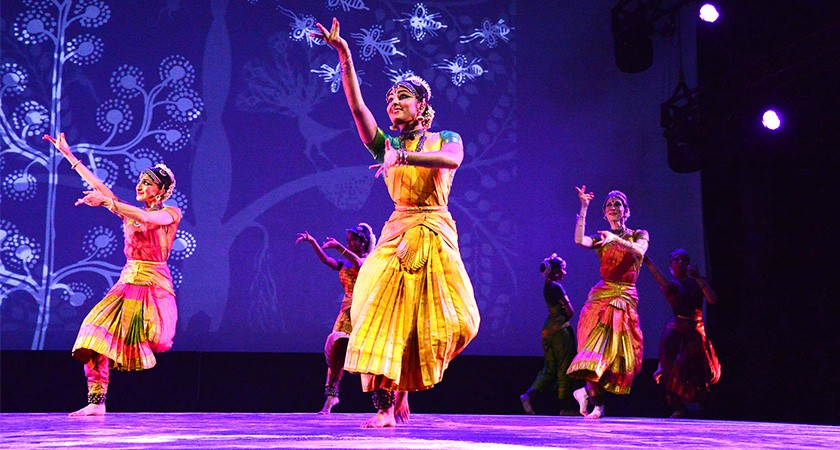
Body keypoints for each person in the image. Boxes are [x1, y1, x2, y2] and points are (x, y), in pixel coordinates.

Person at [312, 18, 481, 428]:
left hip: (434, 231)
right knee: (376, 312)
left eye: (402, 97)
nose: (393, 103)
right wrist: (345, 55)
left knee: (446, 321)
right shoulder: (386, 144)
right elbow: (357, 108)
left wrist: (403, 157)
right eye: (390, 98)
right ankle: (386, 407)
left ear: (422, 106)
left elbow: (453, 161)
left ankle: (403, 391)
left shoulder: (444, 137)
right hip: (396, 232)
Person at [43, 133, 181, 416]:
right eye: (140, 181)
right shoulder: (130, 211)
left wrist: (107, 203)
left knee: (161, 340)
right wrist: (68, 155)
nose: (140, 186)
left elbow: (146, 218)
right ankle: (97, 402)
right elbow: (99, 187)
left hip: (155, 285)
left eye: (147, 183)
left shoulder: (170, 213)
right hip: (127, 284)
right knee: (92, 335)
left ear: (161, 190)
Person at [567, 186, 648, 419]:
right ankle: (597, 403)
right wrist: (583, 207)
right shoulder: (602, 237)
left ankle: (584, 392)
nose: (613, 208)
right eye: (609, 205)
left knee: (614, 354)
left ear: (626, 211)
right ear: (604, 213)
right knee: (592, 351)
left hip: (624, 297)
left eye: (618, 204)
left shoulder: (638, 234)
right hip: (599, 298)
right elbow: (580, 241)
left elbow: (640, 251)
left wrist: (616, 240)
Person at [295, 223, 376, 414]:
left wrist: (339, 246)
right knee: (335, 355)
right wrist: (313, 242)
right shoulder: (345, 262)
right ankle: (331, 398)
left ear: (363, 242)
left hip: (363, 312)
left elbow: (358, 263)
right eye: (348, 241)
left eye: (353, 240)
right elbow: (327, 261)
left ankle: (387, 401)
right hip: (346, 313)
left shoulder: (370, 260)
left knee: (372, 354)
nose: (350, 243)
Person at [643, 249, 721, 418]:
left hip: (695, 329)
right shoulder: (672, 286)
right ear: (671, 265)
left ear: (688, 263)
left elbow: (712, 299)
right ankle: (677, 406)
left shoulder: (698, 283)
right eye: (676, 259)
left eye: (683, 259)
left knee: (695, 367)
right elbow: (661, 279)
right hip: (676, 329)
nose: (680, 261)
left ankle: (697, 405)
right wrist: (649, 264)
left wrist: (699, 278)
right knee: (671, 366)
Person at [520, 254, 578, 416]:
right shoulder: (557, 287)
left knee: (549, 369)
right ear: (555, 272)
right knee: (564, 367)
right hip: (560, 331)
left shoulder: (547, 286)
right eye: (563, 269)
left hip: (547, 330)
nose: (565, 273)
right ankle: (565, 407)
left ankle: (528, 395)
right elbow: (570, 311)